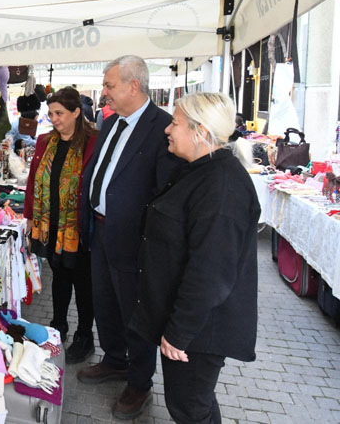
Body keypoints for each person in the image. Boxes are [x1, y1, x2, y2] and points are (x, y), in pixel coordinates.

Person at [130, 92, 259, 424]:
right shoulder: (199, 170)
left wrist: (178, 332)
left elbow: (210, 273)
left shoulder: (222, 186)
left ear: (200, 131)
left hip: (200, 331)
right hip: (189, 323)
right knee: (192, 404)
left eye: (175, 123)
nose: (167, 129)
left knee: (189, 407)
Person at [76, 55, 182, 420]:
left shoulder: (163, 127)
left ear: (133, 86)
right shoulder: (110, 122)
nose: (104, 93)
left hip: (134, 239)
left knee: (135, 311)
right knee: (105, 301)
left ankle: (139, 382)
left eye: (109, 85)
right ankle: (114, 359)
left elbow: (165, 193)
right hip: (101, 230)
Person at [24, 87, 99, 364]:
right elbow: (34, 179)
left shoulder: (94, 142)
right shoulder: (45, 142)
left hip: (79, 227)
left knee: (83, 283)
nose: (54, 119)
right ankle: (58, 326)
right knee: (59, 278)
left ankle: (85, 336)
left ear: (76, 112)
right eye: (51, 113)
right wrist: (30, 216)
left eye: (60, 113)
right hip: (51, 224)